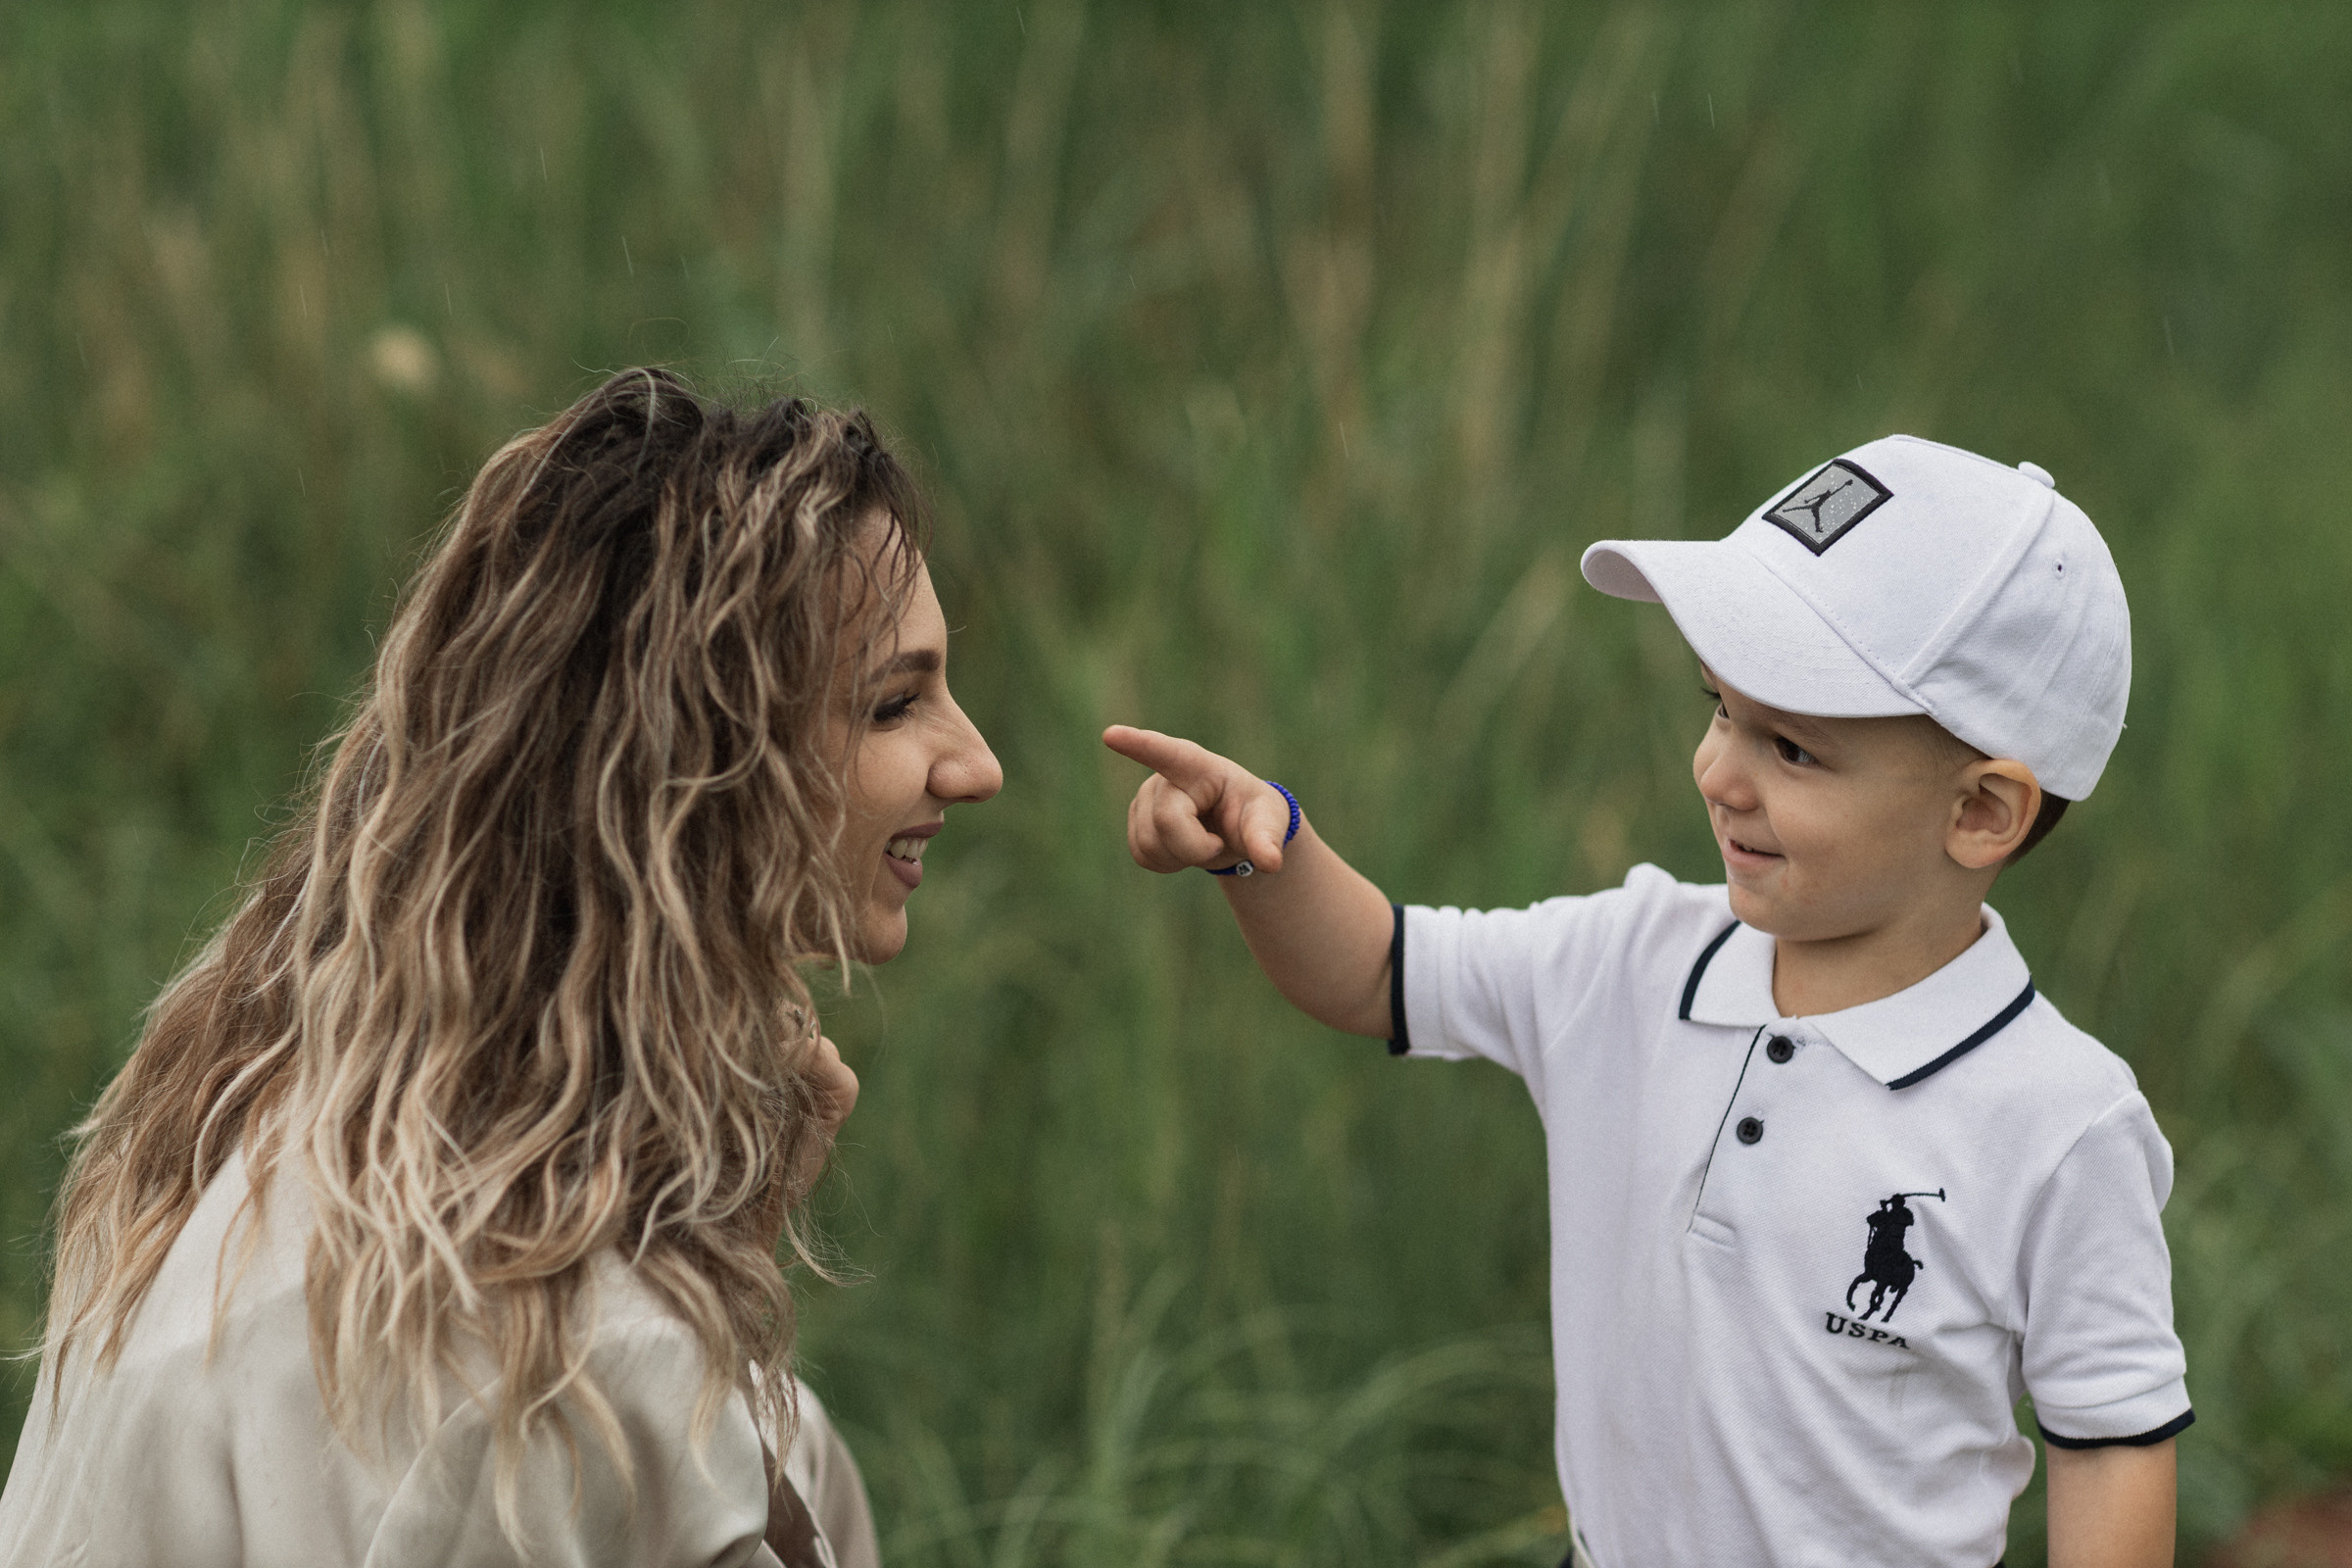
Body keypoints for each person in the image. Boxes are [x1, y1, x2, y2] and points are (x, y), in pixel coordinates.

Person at [1104, 435, 2187, 1568]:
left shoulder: (2060, 1123)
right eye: (1719, 706)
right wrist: (1258, 849)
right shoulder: (1630, 959)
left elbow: (2110, 1443)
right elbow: (1377, 970)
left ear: (1981, 813)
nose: (1717, 770)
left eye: (1793, 747)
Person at [0, 368, 1003, 1567]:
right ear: (695, 761)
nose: (976, 762)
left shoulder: (271, 1121)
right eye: (893, 705)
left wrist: (716, 1260)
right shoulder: (574, 1343)